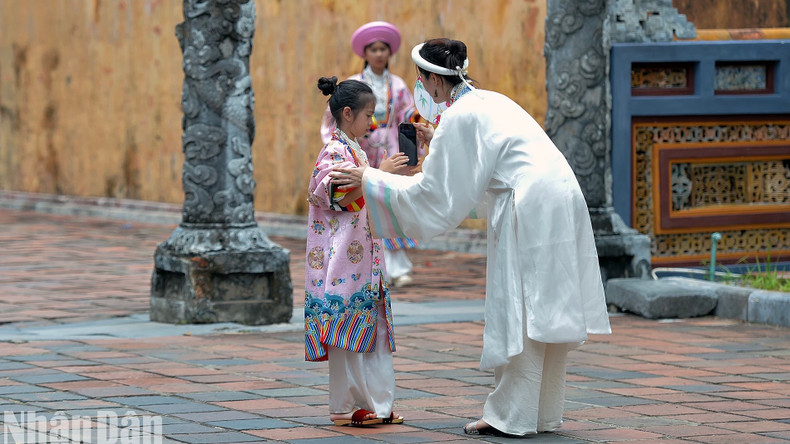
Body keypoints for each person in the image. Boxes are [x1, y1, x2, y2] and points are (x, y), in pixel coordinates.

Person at [331, 38, 612, 436]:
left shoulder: (460, 116)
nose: (422, 89)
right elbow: (474, 176)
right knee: (543, 307)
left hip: (528, 203)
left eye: (422, 80)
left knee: (522, 309)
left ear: (431, 80)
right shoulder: (488, 100)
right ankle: (542, 412)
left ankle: (510, 416)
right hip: (559, 196)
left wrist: (370, 178)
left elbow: (436, 197)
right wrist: (436, 144)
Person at [306, 76, 408, 427]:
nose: (373, 122)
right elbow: (333, 197)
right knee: (347, 333)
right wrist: (379, 174)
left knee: (373, 330)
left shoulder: (356, 150)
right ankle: (347, 406)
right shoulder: (334, 151)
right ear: (347, 114)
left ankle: (378, 404)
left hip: (365, 257)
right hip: (342, 260)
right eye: (368, 115)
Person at [320, 21, 421, 288]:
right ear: (365, 53)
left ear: (389, 53)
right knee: (361, 204)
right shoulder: (354, 84)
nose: (378, 54)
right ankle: (367, 262)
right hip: (360, 150)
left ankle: (397, 266)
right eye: (373, 49)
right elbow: (333, 119)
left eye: (383, 49)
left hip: (387, 146)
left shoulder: (397, 84)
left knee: (390, 202)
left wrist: (412, 146)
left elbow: (406, 116)